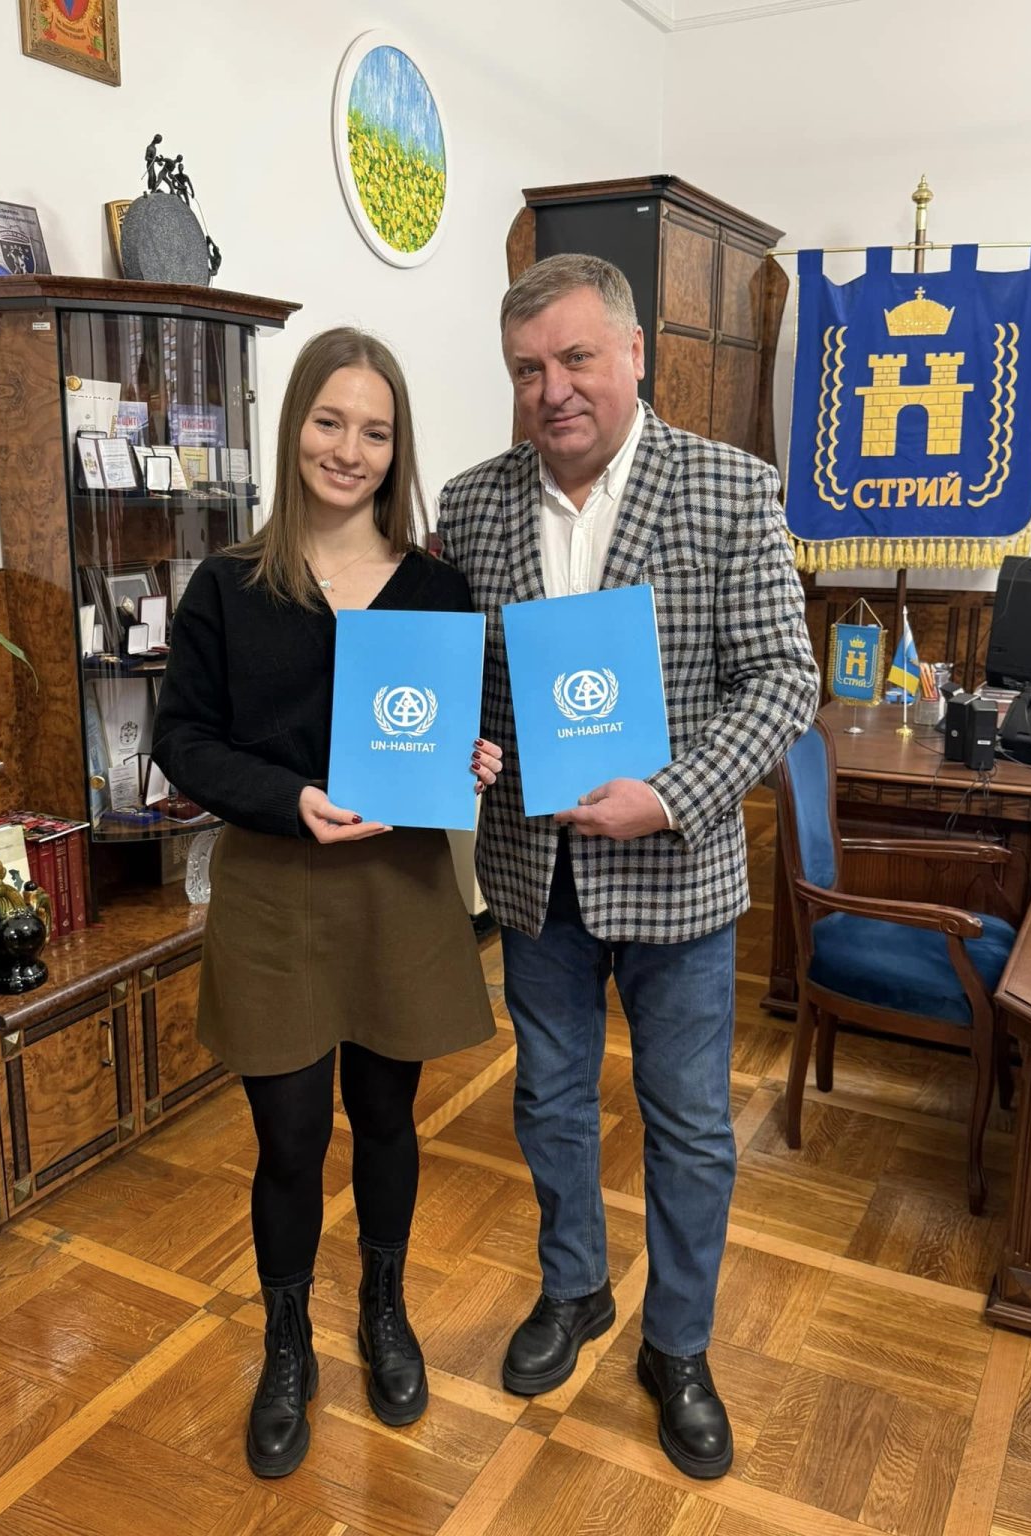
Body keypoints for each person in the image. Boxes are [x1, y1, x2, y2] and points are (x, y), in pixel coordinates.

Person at [437, 254, 818, 1480]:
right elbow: (463, 685)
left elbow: (784, 682)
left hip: (677, 876)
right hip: (534, 880)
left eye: (575, 358)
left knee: (690, 1127)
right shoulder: (472, 504)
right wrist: (462, 743)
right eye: (526, 370)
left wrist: (669, 795)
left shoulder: (730, 488)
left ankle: (679, 1346)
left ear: (635, 353)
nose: (551, 390)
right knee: (547, 1104)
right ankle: (576, 1290)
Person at [152, 327, 502, 1479]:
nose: (349, 450)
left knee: (388, 1120)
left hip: (398, 891)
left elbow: (452, 730)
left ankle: (385, 1311)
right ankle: (287, 1341)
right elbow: (183, 742)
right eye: (330, 421)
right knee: (291, 1139)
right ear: (294, 423)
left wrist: (474, 757)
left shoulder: (438, 588)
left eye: (376, 431)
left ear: (399, 449)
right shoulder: (229, 586)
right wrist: (290, 798)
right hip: (275, 890)